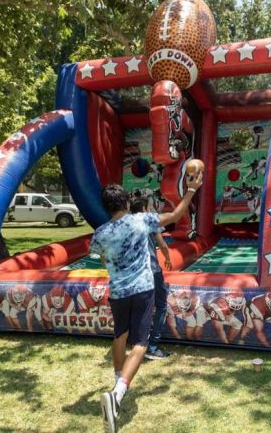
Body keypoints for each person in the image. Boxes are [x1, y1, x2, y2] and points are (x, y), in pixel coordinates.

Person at [90, 175, 202, 433]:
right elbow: (175, 215)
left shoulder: (101, 233)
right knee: (140, 343)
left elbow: (101, 257)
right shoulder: (142, 220)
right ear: (127, 203)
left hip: (118, 291)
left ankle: (119, 377)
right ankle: (117, 393)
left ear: (106, 206)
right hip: (142, 289)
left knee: (120, 335)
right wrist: (191, 191)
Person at [129, 196, 172, 360]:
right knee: (160, 305)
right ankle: (152, 347)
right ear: (144, 209)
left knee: (139, 308)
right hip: (151, 270)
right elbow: (162, 244)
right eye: (150, 207)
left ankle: (137, 343)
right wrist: (167, 258)